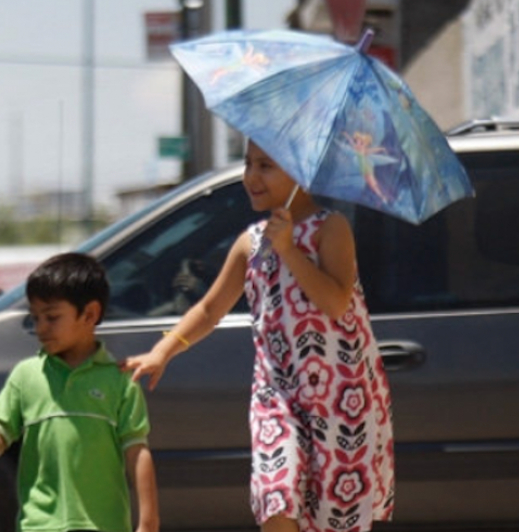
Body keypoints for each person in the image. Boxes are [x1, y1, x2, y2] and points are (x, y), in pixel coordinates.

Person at [123, 141, 396, 532]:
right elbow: (208, 309)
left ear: (301, 171)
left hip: (341, 400)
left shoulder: (330, 228)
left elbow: (336, 303)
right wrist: (164, 350)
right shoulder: (250, 242)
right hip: (278, 399)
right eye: (248, 164)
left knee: (334, 518)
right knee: (277, 500)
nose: (251, 176)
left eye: (266, 165)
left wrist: (289, 251)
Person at [0, 252, 160, 532]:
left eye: (52, 317)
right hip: (38, 525)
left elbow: (137, 453)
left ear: (90, 314)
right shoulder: (26, 375)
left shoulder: (119, 381)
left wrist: (148, 522)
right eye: (35, 318)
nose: (41, 328)